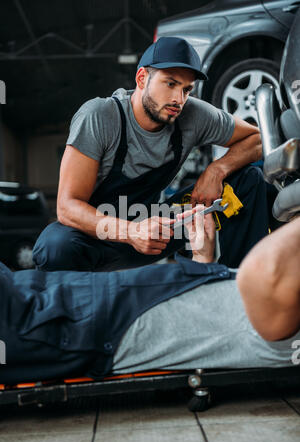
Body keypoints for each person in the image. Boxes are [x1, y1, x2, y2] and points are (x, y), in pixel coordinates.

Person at [32, 37, 270, 272]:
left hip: (156, 232)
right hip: (96, 237)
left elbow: (258, 139)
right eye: (170, 84)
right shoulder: (100, 116)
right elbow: (67, 206)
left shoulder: (192, 115)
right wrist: (131, 232)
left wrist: (217, 170)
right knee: (55, 246)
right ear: (142, 78)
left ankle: (240, 285)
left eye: (186, 89)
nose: (179, 99)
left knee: (247, 180)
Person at [1, 210, 299, 386]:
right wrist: (203, 263)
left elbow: (260, 278)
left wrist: (202, 264)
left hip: (57, 321)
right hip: (62, 309)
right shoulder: (273, 319)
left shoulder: (275, 326)